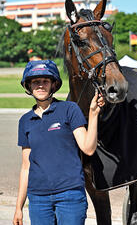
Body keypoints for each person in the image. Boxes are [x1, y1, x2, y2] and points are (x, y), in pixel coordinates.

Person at [13, 60, 105, 225]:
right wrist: (18, 207)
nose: (40, 86)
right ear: (28, 86)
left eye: (45, 81)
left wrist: (93, 114)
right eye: (35, 82)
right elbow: (26, 167)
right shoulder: (25, 121)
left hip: (69, 195)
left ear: (53, 84)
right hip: (38, 199)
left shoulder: (69, 109)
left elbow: (88, 148)